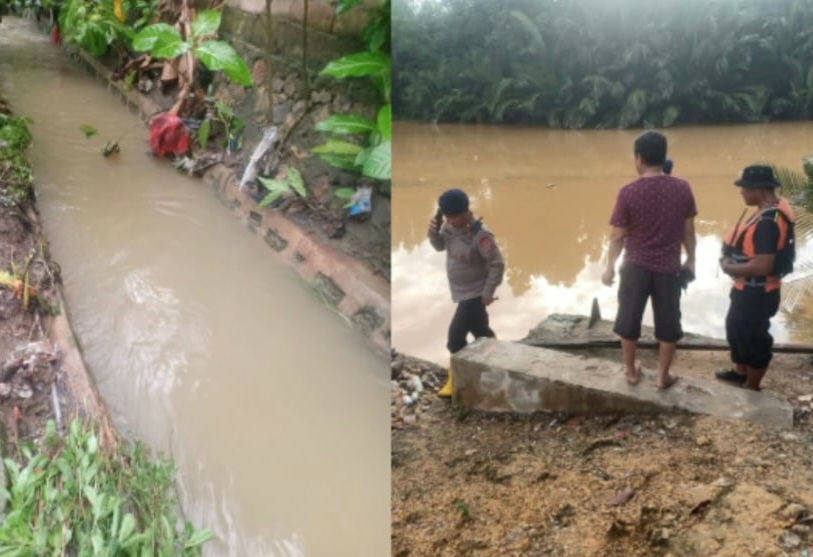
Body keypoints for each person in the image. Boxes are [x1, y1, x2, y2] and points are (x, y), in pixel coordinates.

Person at [602, 131, 697, 389]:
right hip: (668, 267)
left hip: (635, 267)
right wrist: (691, 259)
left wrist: (610, 267)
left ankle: (631, 372)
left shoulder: (628, 192)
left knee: (629, 319)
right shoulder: (682, 187)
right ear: (663, 156)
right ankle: (662, 376)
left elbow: (618, 235)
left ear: (639, 158)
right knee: (668, 324)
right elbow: (688, 231)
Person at [716, 165, 795, 391]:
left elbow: (763, 265)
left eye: (745, 188)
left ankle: (752, 386)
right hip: (748, 289)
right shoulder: (768, 210)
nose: (742, 192)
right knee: (735, 328)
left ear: (759, 189)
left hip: (758, 292)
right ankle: (740, 372)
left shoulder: (767, 223)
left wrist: (729, 267)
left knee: (753, 338)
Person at [428, 188, 505, 397]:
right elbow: (439, 247)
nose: (449, 221)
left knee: (454, 339)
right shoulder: (449, 228)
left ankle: (459, 379)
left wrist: (488, 292)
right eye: (446, 217)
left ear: (465, 212)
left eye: (453, 217)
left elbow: (497, 264)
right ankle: (493, 355)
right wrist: (432, 233)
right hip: (459, 291)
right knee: (480, 330)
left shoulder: (481, 235)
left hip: (474, 294)